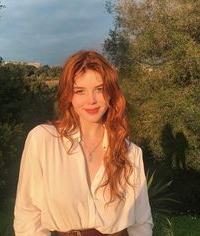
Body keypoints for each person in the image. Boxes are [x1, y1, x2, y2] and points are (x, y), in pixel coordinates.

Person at [14, 50, 153, 236]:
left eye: (99, 89)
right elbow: (28, 214)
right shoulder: (43, 140)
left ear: (110, 93)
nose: (91, 100)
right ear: (68, 96)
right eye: (80, 91)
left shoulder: (130, 152)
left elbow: (141, 222)